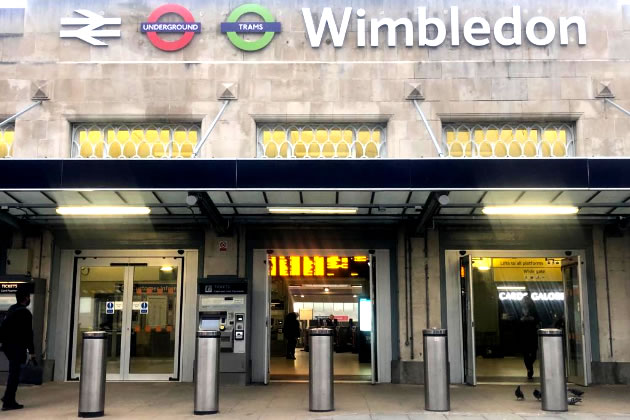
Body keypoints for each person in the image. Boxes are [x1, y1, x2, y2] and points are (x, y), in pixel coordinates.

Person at [1, 284, 36, 411]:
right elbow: (28, 334)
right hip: (17, 347)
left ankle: (7, 397)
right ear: (26, 298)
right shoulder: (25, 313)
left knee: (13, 373)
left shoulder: (11, 309)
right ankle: (9, 402)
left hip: (7, 347)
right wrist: (32, 352)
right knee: (14, 375)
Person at [520, 294, 540, 380]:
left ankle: (529, 366)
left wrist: (532, 319)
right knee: (526, 354)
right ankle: (529, 369)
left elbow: (538, 319)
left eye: (526, 301)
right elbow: (516, 320)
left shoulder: (534, 310)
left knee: (533, 354)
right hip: (524, 335)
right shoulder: (519, 310)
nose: (525, 302)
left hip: (532, 334)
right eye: (524, 301)